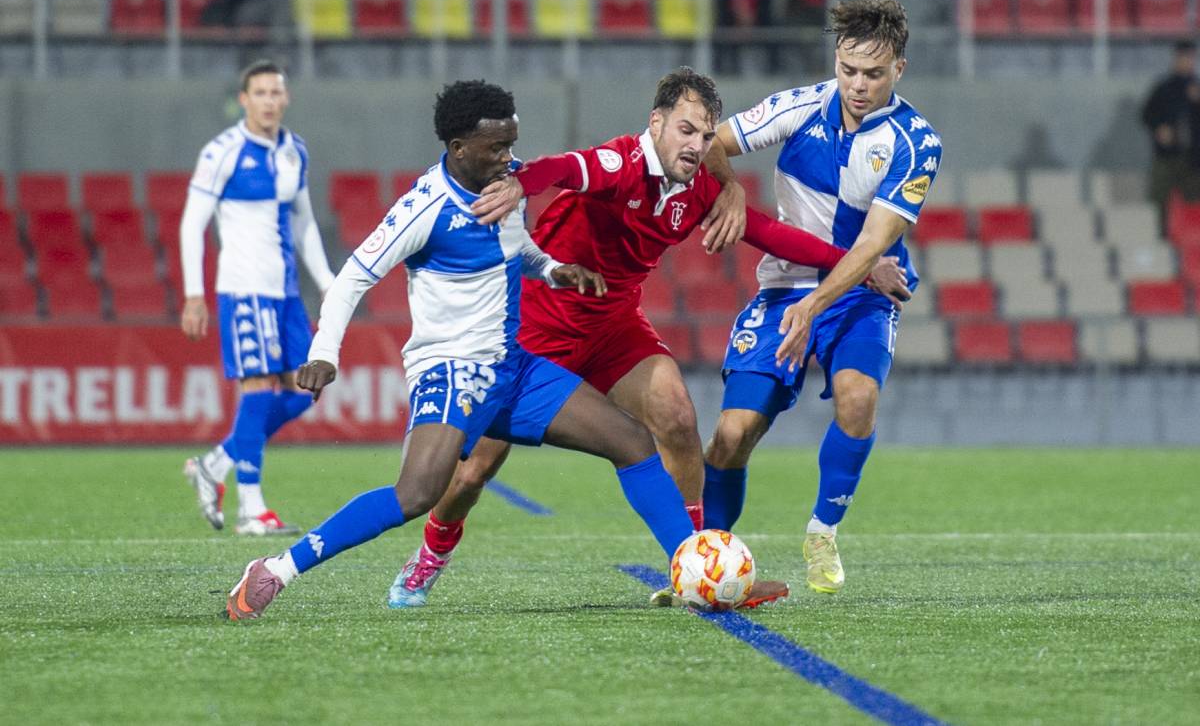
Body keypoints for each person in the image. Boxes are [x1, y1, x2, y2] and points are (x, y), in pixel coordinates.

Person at [384, 67, 911, 610]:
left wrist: (861, 266)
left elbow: (771, 234)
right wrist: (522, 182)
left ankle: (696, 569)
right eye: (685, 130)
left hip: (613, 327)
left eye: (704, 136)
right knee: (472, 472)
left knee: (677, 417)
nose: (696, 145)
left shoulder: (699, 190)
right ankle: (430, 556)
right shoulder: (620, 164)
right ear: (655, 122)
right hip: (536, 329)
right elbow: (562, 168)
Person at [225, 80, 698, 620]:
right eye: (496, 148)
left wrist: (553, 270)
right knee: (416, 494)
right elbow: (353, 277)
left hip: (514, 368)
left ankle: (693, 573)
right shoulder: (424, 207)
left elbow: (516, 248)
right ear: (458, 148)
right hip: (453, 371)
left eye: (511, 144)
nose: (508, 159)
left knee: (632, 440)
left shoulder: (504, 185)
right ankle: (276, 568)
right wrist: (324, 353)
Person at [698, 0, 942, 596]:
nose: (858, 85)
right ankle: (708, 557)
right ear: (836, 60)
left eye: (874, 74)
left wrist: (816, 306)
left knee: (858, 396)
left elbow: (873, 246)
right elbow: (709, 144)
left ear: (899, 69)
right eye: (849, 70)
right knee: (731, 434)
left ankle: (822, 531)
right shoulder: (799, 106)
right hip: (785, 287)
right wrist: (731, 189)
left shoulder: (916, 143)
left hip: (859, 294)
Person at [181, 60, 335, 536]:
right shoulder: (222, 152)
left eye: (275, 92)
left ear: (286, 98)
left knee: (305, 390)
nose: (269, 100)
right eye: (260, 93)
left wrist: (328, 282)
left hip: (285, 291)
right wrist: (193, 294)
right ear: (244, 100)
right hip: (244, 287)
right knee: (258, 388)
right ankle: (252, 510)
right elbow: (191, 224)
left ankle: (215, 463)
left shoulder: (294, 151)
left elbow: (304, 221)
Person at [1140, 39, 1199, 232]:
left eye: (1190, 57)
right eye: (1183, 57)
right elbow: (1147, 115)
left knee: (1194, 202)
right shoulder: (1164, 88)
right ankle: (1162, 237)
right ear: (1175, 59)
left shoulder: (1196, 88)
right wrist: (1159, 128)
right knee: (1161, 199)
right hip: (1167, 156)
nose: (1187, 62)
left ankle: (1193, 239)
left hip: (1193, 157)